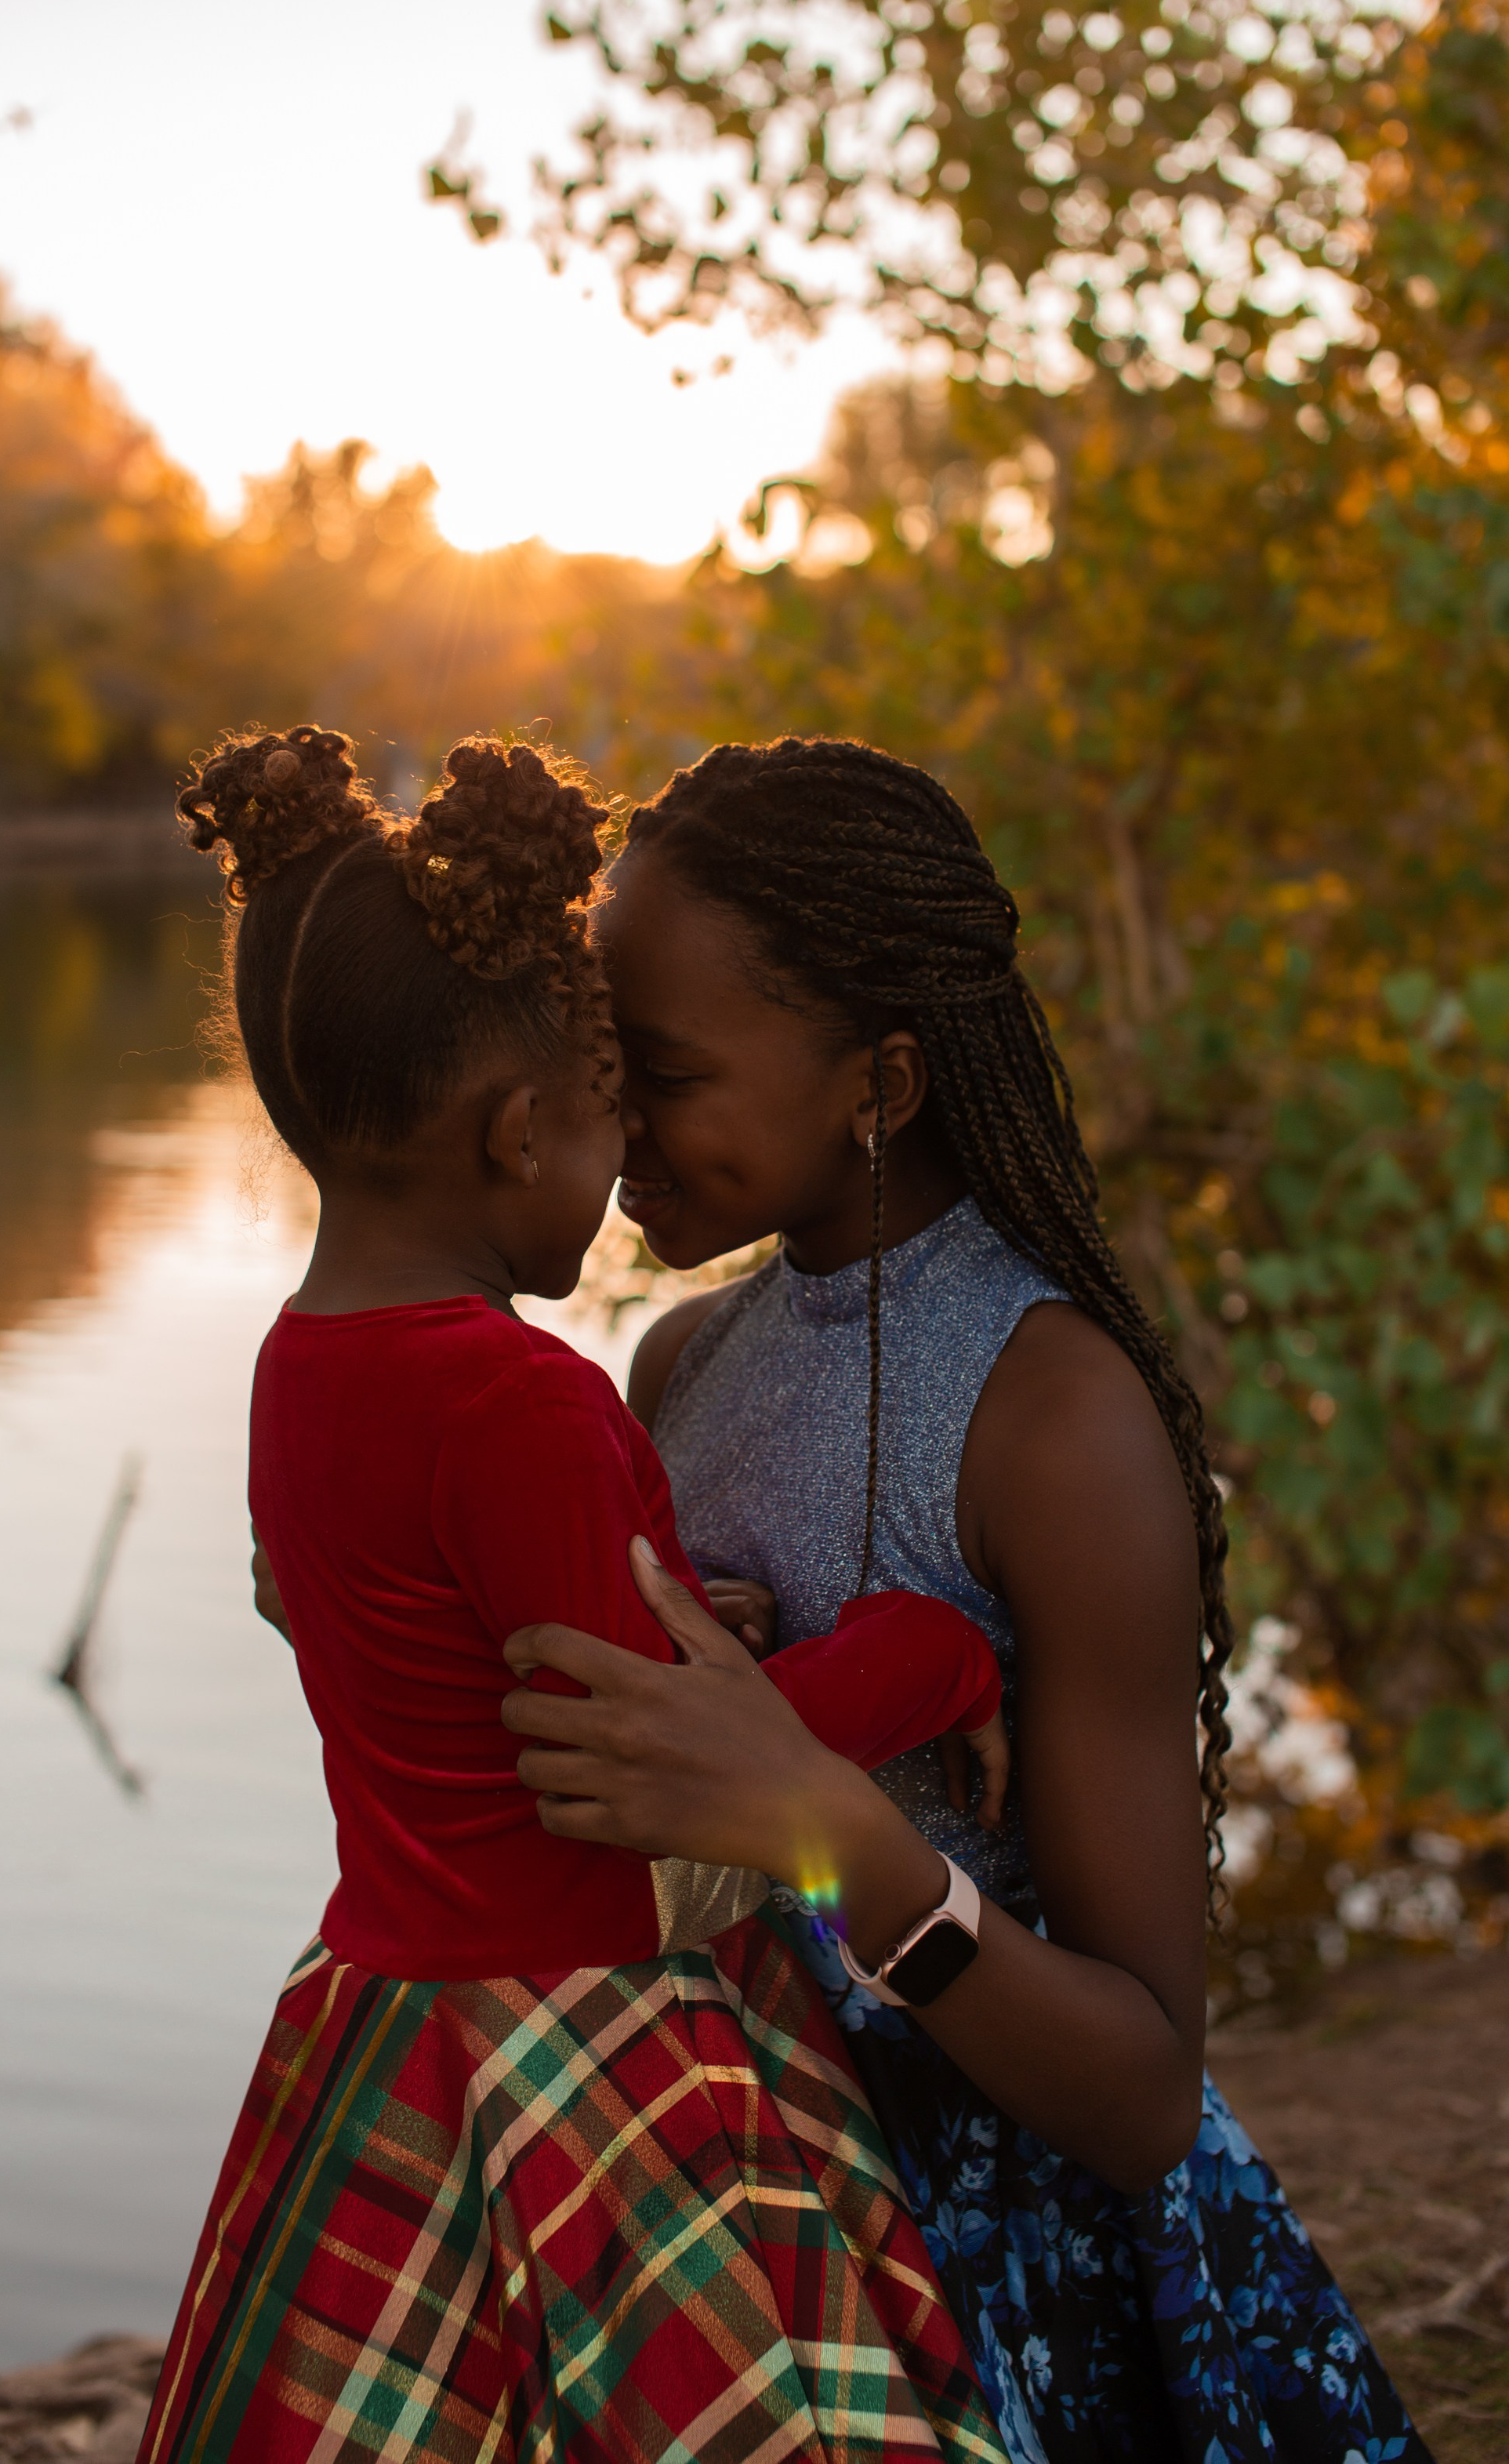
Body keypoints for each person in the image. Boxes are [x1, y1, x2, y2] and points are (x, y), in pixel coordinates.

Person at [498, 739, 1428, 2464]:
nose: (612, 1120)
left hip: (996, 2279)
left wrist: (831, 1837)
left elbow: (1145, 2092)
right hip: (725, 2230)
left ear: (882, 1082)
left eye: (668, 1072)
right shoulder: (676, 1367)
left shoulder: (1050, 1417)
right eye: (604, 1064)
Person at [140, 724, 1014, 2464]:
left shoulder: (298, 1366)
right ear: (518, 1127)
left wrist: (672, 1592)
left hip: (379, 2017)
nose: (626, 1175)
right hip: (573, 2035)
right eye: (614, 1114)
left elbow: (470, 1641)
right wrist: (933, 1661)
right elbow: (670, 1774)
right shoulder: (520, 1398)